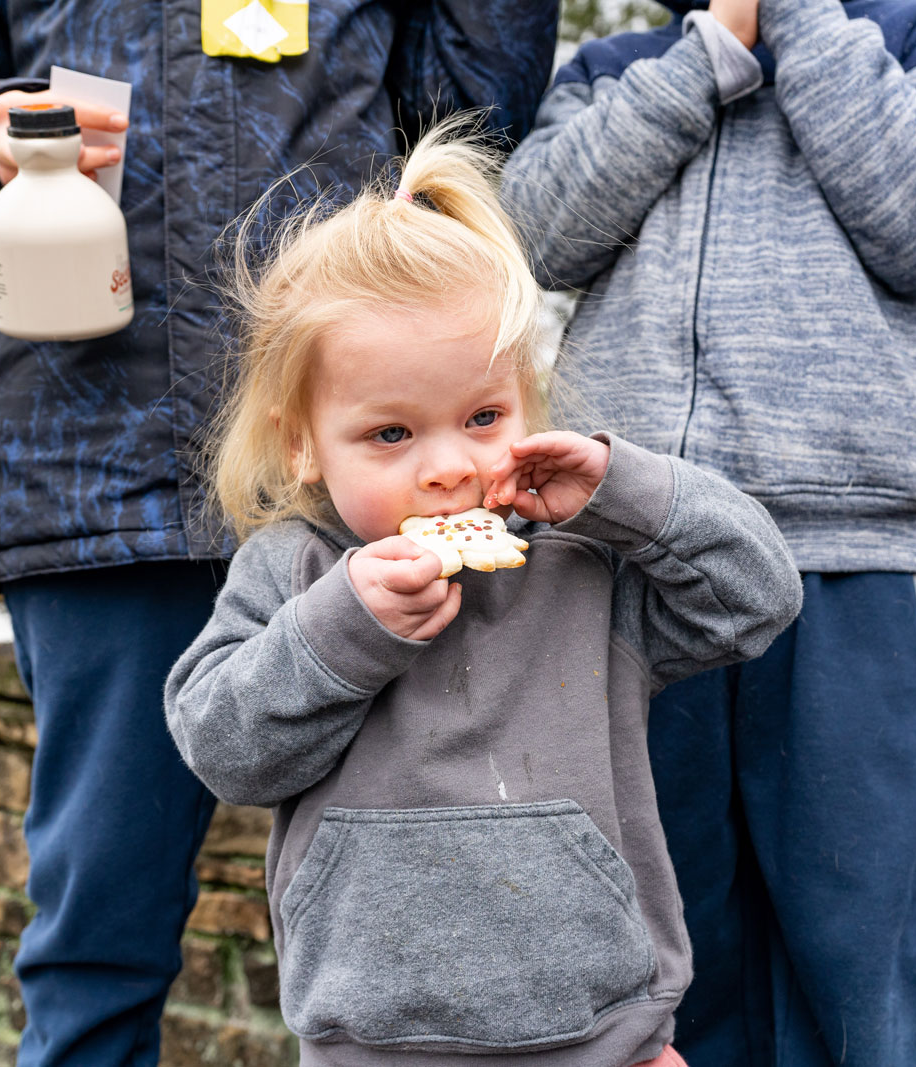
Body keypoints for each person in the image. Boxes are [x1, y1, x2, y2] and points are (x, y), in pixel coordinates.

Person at [0, 4, 559, 1064]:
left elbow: (470, 116)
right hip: (97, 468)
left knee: (429, 882)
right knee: (101, 915)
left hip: (358, 464)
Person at [163, 123, 803, 1067]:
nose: (450, 466)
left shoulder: (582, 561)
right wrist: (346, 631)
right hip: (370, 1044)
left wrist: (624, 492)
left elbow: (758, 597)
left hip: (605, 1037)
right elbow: (224, 751)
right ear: (300, 441)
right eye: (390, 434)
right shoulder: (293, 573)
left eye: (484, 417)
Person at [500, 0, 916, 1064]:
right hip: (643, 557)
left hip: (843, 555)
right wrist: (709, 58)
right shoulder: (615, 67)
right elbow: (539, 234)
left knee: (868, 941)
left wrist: (804, 25)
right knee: (672, 933)